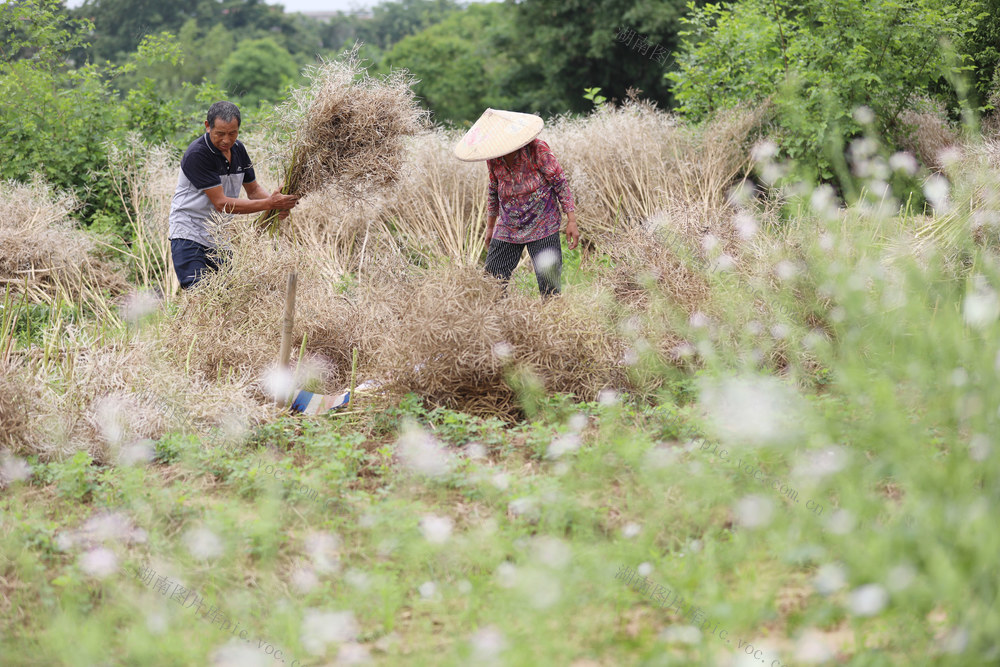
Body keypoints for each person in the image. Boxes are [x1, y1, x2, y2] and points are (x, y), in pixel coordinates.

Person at [168, 101, 299, 289]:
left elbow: (253, 191)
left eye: (232, 133)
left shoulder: (239, 150)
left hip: (219, 237)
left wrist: (277, 204)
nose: (226, 140)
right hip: (189, 234)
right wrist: (271, 204)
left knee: (231, 293)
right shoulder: (198, 154)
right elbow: (221, 204)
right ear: (207, 126)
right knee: (200, 295)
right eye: (220, 134)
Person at [454, 108, 580, 297]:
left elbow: (559, 181)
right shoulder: (494, 158)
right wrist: (490, 227)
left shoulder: (537, 149)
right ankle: (498, 322)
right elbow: (493, 190)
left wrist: (571, 220)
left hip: (543, 222)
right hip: (509, 225)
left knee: (549, 287)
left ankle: (550, 321)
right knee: (492, 282)